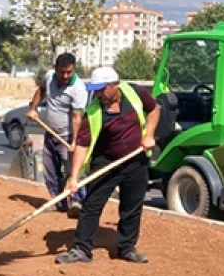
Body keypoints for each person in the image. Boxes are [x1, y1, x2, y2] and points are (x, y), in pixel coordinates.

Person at [57, 66, 160, 265]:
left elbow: (154, 109)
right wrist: (74, 177)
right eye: (95, 89)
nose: (98, 93)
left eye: (102, 89)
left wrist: (149, 135)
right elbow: (82, 144)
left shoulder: (136, 93)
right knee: (91, 206)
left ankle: (126, 248)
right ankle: (81, 250)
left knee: (132, 207)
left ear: (115, 85)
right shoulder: (94, 111)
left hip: (136, 160)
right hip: (105, 162)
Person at [26, 52, 88, 217]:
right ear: (56, 69)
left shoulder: (78, 89)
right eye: (62, 72)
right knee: (50, 170)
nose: (66, 75)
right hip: (51, 133)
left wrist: (75, 141)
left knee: (73, 171)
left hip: (68, 136)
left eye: (69, 72)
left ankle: (78, 202)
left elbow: (77, 118)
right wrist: (33, 108)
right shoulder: (49, 77)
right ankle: (59, 202)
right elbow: (41, 91)